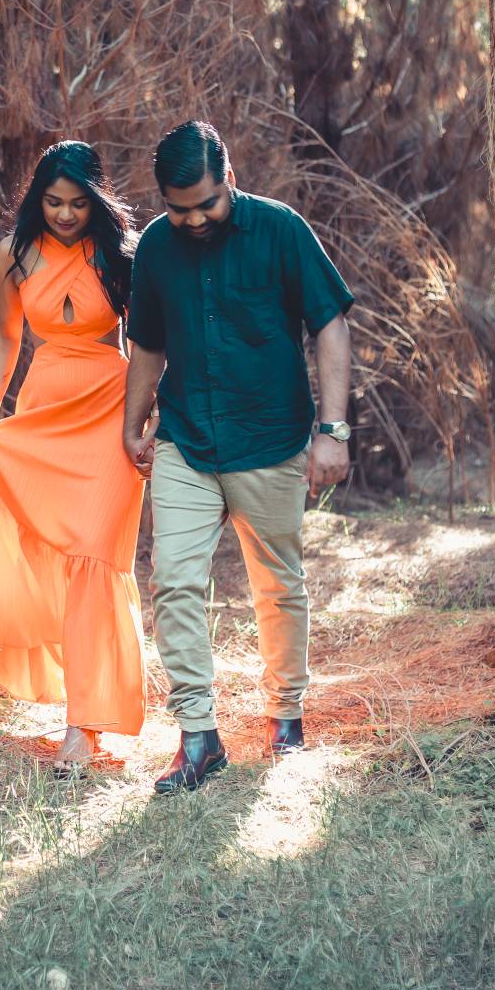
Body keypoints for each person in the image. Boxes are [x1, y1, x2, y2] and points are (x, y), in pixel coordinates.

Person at [123, 121, 354, 793]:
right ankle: (198, 735)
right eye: (179, 207)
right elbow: (146, 344)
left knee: (277, 584)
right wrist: (133, 424)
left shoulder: (281, 229)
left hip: (271, 440)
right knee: (173, 582)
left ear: (229, 176)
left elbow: (330, 323)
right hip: (186, 440)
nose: (193, 219)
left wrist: (332, 429)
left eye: (206, 203)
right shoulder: (157, 249)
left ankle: (286, 720)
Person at [0, 141, 146, 775]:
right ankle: (79, 707)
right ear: (37, 199)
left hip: (110, 407)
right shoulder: (13, 254)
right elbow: (6, 334)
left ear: (97, 201)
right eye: (53, 202)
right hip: (46, 403)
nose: (65, 214)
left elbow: (145, 342)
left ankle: (84, 729)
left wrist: (147, 415)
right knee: (58, 560)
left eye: (79, 203)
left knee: (95, 556)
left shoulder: (121, 253)